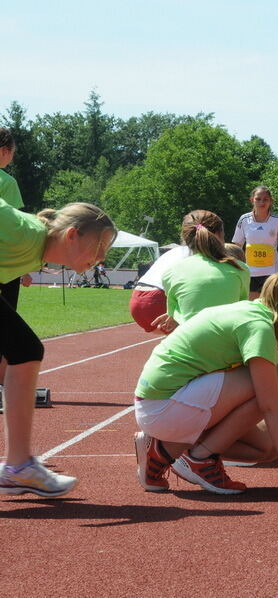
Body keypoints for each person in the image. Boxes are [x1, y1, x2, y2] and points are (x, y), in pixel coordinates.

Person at [133, 276, 278, 498]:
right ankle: (200, 459)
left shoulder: (255, 312)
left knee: (267, 447)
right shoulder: (259, 327)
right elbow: (271, 407)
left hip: (161, 405)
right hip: (163, 406)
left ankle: (162, 452)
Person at [1, 200, 117, 497]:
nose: (101, 258)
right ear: (72, 235)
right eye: (99, 247)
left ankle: (18, 466)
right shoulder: (22, 233)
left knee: (23, 351)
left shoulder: (33, 250)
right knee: (24, 350)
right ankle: (18, 466)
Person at [154, 210, 250, 334]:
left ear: (185, 237)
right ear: (220, 235)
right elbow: (241, 311)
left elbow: (176, 315)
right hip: (227, 344)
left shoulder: (170, 272)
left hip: (189, 345)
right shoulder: (240, 269)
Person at [0, 129, 33, 386]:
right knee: (6, 325)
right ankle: (3, 384)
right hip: (4, 267)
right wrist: (25, 265)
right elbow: (15, 229)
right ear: (4, 151)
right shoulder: (6, 183)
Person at [232, 185, 278, 300]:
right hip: (250, 273)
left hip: (272, 273)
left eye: (265, 199)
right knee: (252, 306)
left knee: (272, 306)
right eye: (258, 199)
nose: (262, 202)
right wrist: (236, 269)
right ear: (252, 200)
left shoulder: (277, 221)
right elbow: (237, 247)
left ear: (271, 201)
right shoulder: (244, 220)